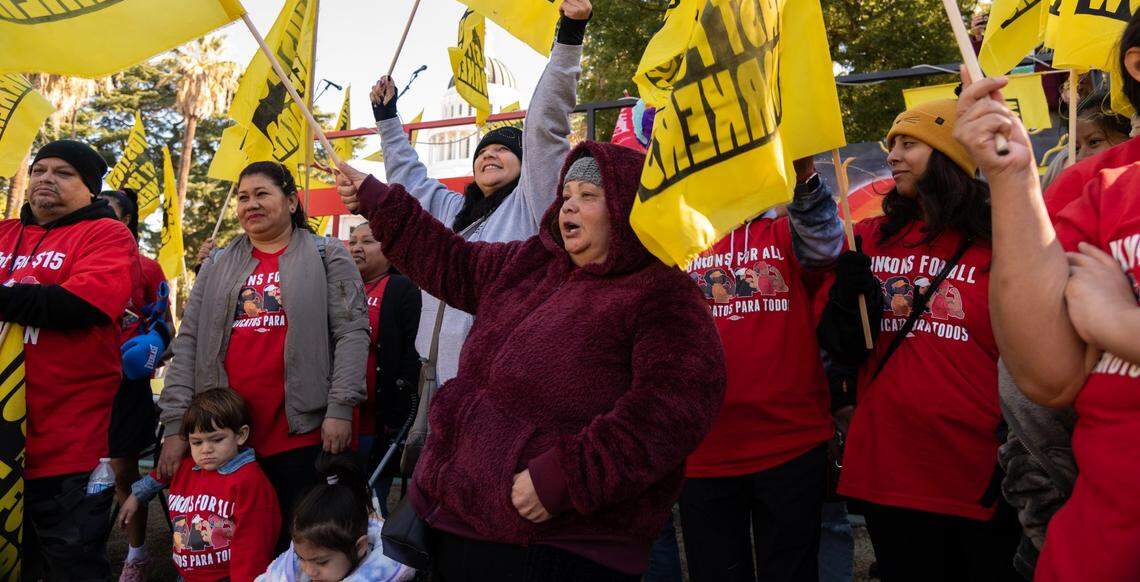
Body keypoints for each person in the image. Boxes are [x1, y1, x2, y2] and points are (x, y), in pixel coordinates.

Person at [330, 141, 726, 580]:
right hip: (463, 519)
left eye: (589, 196)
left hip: (563, 545)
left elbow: (674, 407)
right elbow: (451, 261)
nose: (569, 206)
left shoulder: (660, 290)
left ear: (627, 208)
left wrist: (568, 476)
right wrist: (378, 201)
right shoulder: (532, 262)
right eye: (568, 193)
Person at [953, 9, 1140, 581]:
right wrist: (1012, 179)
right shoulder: (1099, 184)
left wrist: (1123, 329)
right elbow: (1047, 377)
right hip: (1100, 552)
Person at [816, 100, 1018, 581]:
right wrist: (843, 313)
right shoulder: (865, 237)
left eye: (909, 143)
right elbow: (833, 342)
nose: (893, 156)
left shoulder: (1002, 241)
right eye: (891, 145)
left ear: (949, 155)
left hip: (977, 469)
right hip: (890, 467)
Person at [370, 0, 592, 385]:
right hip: (434, 382)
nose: (490, 156)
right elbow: (407, 177)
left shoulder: (535, 205)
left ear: (527, 165)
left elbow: (543, 128)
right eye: (482, 152)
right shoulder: (450, 210)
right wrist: (387, 118)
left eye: (504, 151)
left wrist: (569, 38)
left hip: (502, 380)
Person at [158, 161, 370, 540]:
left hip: (302, 433)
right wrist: (175, 425)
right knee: (236, 546)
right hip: (224, 437)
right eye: (242, 197)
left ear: (291, 201)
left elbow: (352, 334)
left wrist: (340, 408)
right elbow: (187, 341)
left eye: (261, 194)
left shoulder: (328, 254)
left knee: (300, 543)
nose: (250, 204)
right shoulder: (217, 264)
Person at [678, 157, 844, 582]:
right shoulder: (678, 245)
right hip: (704, 451)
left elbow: (827, 246)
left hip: (791, 442)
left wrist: (805, 178)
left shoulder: (786, 232)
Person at [0, 140, 142, 580]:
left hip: (69, 452)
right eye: (39, 169)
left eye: (63, 173)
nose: (45, 178)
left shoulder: (107, 234)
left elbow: (79, 304)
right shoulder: (4, 232)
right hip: (4, 447)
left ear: (90, 189)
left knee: (70, 568)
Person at [121, 388, 281, 581]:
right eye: (196, 442)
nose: (206, 449)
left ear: (241, 435)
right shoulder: (187, 467)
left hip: (225, 576)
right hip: (186, 575)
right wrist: (136, 496)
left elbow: (254, 546)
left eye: (217, 439)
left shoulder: (249, 481)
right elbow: (161, 475)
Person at [99, 187, 173, 582]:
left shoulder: (146, 268)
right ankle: (71, 548)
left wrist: (151, 346)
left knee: (122, 473)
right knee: (70, 475)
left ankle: (137, 554)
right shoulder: (73, 259)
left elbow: (169, 331)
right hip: (75, 384)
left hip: (125, 389)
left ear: (126, 219)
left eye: (106, 207)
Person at [346, 222, 421, 514]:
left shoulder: (401, 288)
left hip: (379, 424)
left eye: (367, 241)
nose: (356, 248)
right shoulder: (339, 287)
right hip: (341, 420)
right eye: (352, 241)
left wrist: (400, 415)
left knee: (371, 503)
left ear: (388, 249)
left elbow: (412, 353)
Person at [257, 455, 413, 582]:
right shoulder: (291, 573)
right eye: (300, 558)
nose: (309, 570)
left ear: (360, 547)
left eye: (321, 562)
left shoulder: (384, 573)